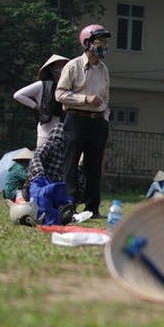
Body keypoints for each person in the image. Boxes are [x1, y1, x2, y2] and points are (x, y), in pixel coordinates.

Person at [56, 24, 112, 219]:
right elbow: (60, 94)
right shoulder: (72, 66)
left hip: (97, 122)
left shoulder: (104, 70)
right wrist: (85, 99)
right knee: (70, 165)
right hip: (76, 119)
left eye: (105, 42)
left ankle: (92, 208)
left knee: (94, 166)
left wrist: (105, 118)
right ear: (87, 43)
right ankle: (68, 206)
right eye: (100, 41)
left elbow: (106, 99)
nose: (104, 45)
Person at [13, 54, 70, 148]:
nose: (61, 68)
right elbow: (18, 95)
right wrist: (37, 107)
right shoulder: (42, 85)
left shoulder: (68, 87)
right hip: (46, 133)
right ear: (51, 68)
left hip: (64, 132)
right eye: (58, 65)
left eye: (64, 65)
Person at [26, 122, 86, 205]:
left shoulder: (68, 152)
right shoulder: (50, 146)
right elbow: (36, 157)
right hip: (43, 185)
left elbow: (36, 157)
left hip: (56, 188)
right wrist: (40, 174)